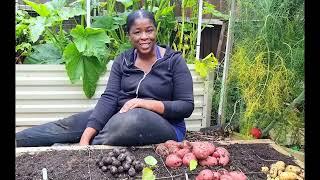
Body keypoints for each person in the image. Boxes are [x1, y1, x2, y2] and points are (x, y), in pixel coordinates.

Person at [16, 9, 194, 147]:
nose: (144, 37)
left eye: (149, 30)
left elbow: (186, 106)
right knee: (70, 125)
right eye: (137, 32)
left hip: (166, 125)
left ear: (156, 31)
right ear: (129, 35)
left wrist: (144, 103)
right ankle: (20, 140)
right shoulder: (123, 60)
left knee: (133, 119)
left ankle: (75, 148)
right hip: (119, 115)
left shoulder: (174, 61)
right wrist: (87, 133)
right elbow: (110, 97)